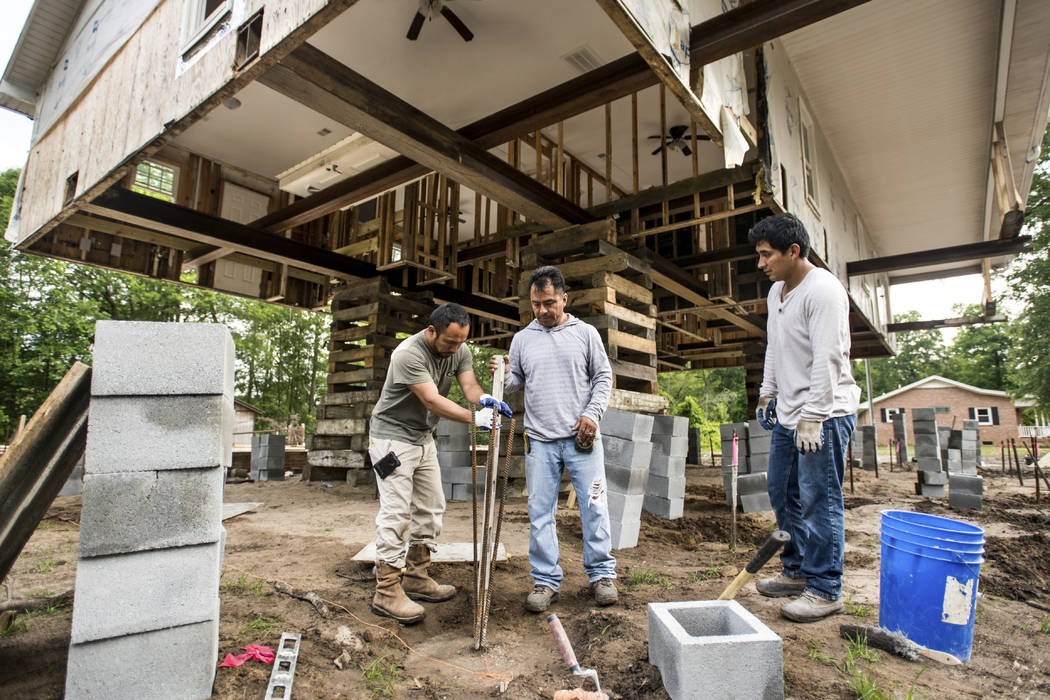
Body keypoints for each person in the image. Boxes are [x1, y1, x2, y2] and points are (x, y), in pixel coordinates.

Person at [368, 302, 511, 624]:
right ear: (431, 331)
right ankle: (387, 590)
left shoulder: (459, 350)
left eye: (462, 341)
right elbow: (432, 399)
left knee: (431, 508)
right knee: (396, 513)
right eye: (450, 341)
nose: (456, 348)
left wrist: (484, 400)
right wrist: (477, 419)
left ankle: (417, 577)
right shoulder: (409, 354)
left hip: (422, 438)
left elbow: (469, 387)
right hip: (391, 441)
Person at [749, 213, 860, 622]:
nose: (761, 264)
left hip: (824, 415)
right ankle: (797, 570)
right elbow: (775, 348)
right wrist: (767, 392)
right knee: (781, 490)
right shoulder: (777, 292)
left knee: (819, 499)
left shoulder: (824, 291)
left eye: (766, 255)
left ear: (793, 251)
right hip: (790, 413)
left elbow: (830, 356)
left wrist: (814, 415)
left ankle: (826, 588)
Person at [490, 265, 617, 612]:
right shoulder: (522, 339)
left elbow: (604, 377)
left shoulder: (586, 333)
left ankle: (602, 575)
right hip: (540, 442)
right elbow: (516, 381)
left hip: (581, 440)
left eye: (549, 303)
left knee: (593, 507)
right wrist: (502, 372)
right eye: (536, 304)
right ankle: (545, 581)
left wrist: (592, 414)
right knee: (540, 513)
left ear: (564, 298)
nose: (542, 311)